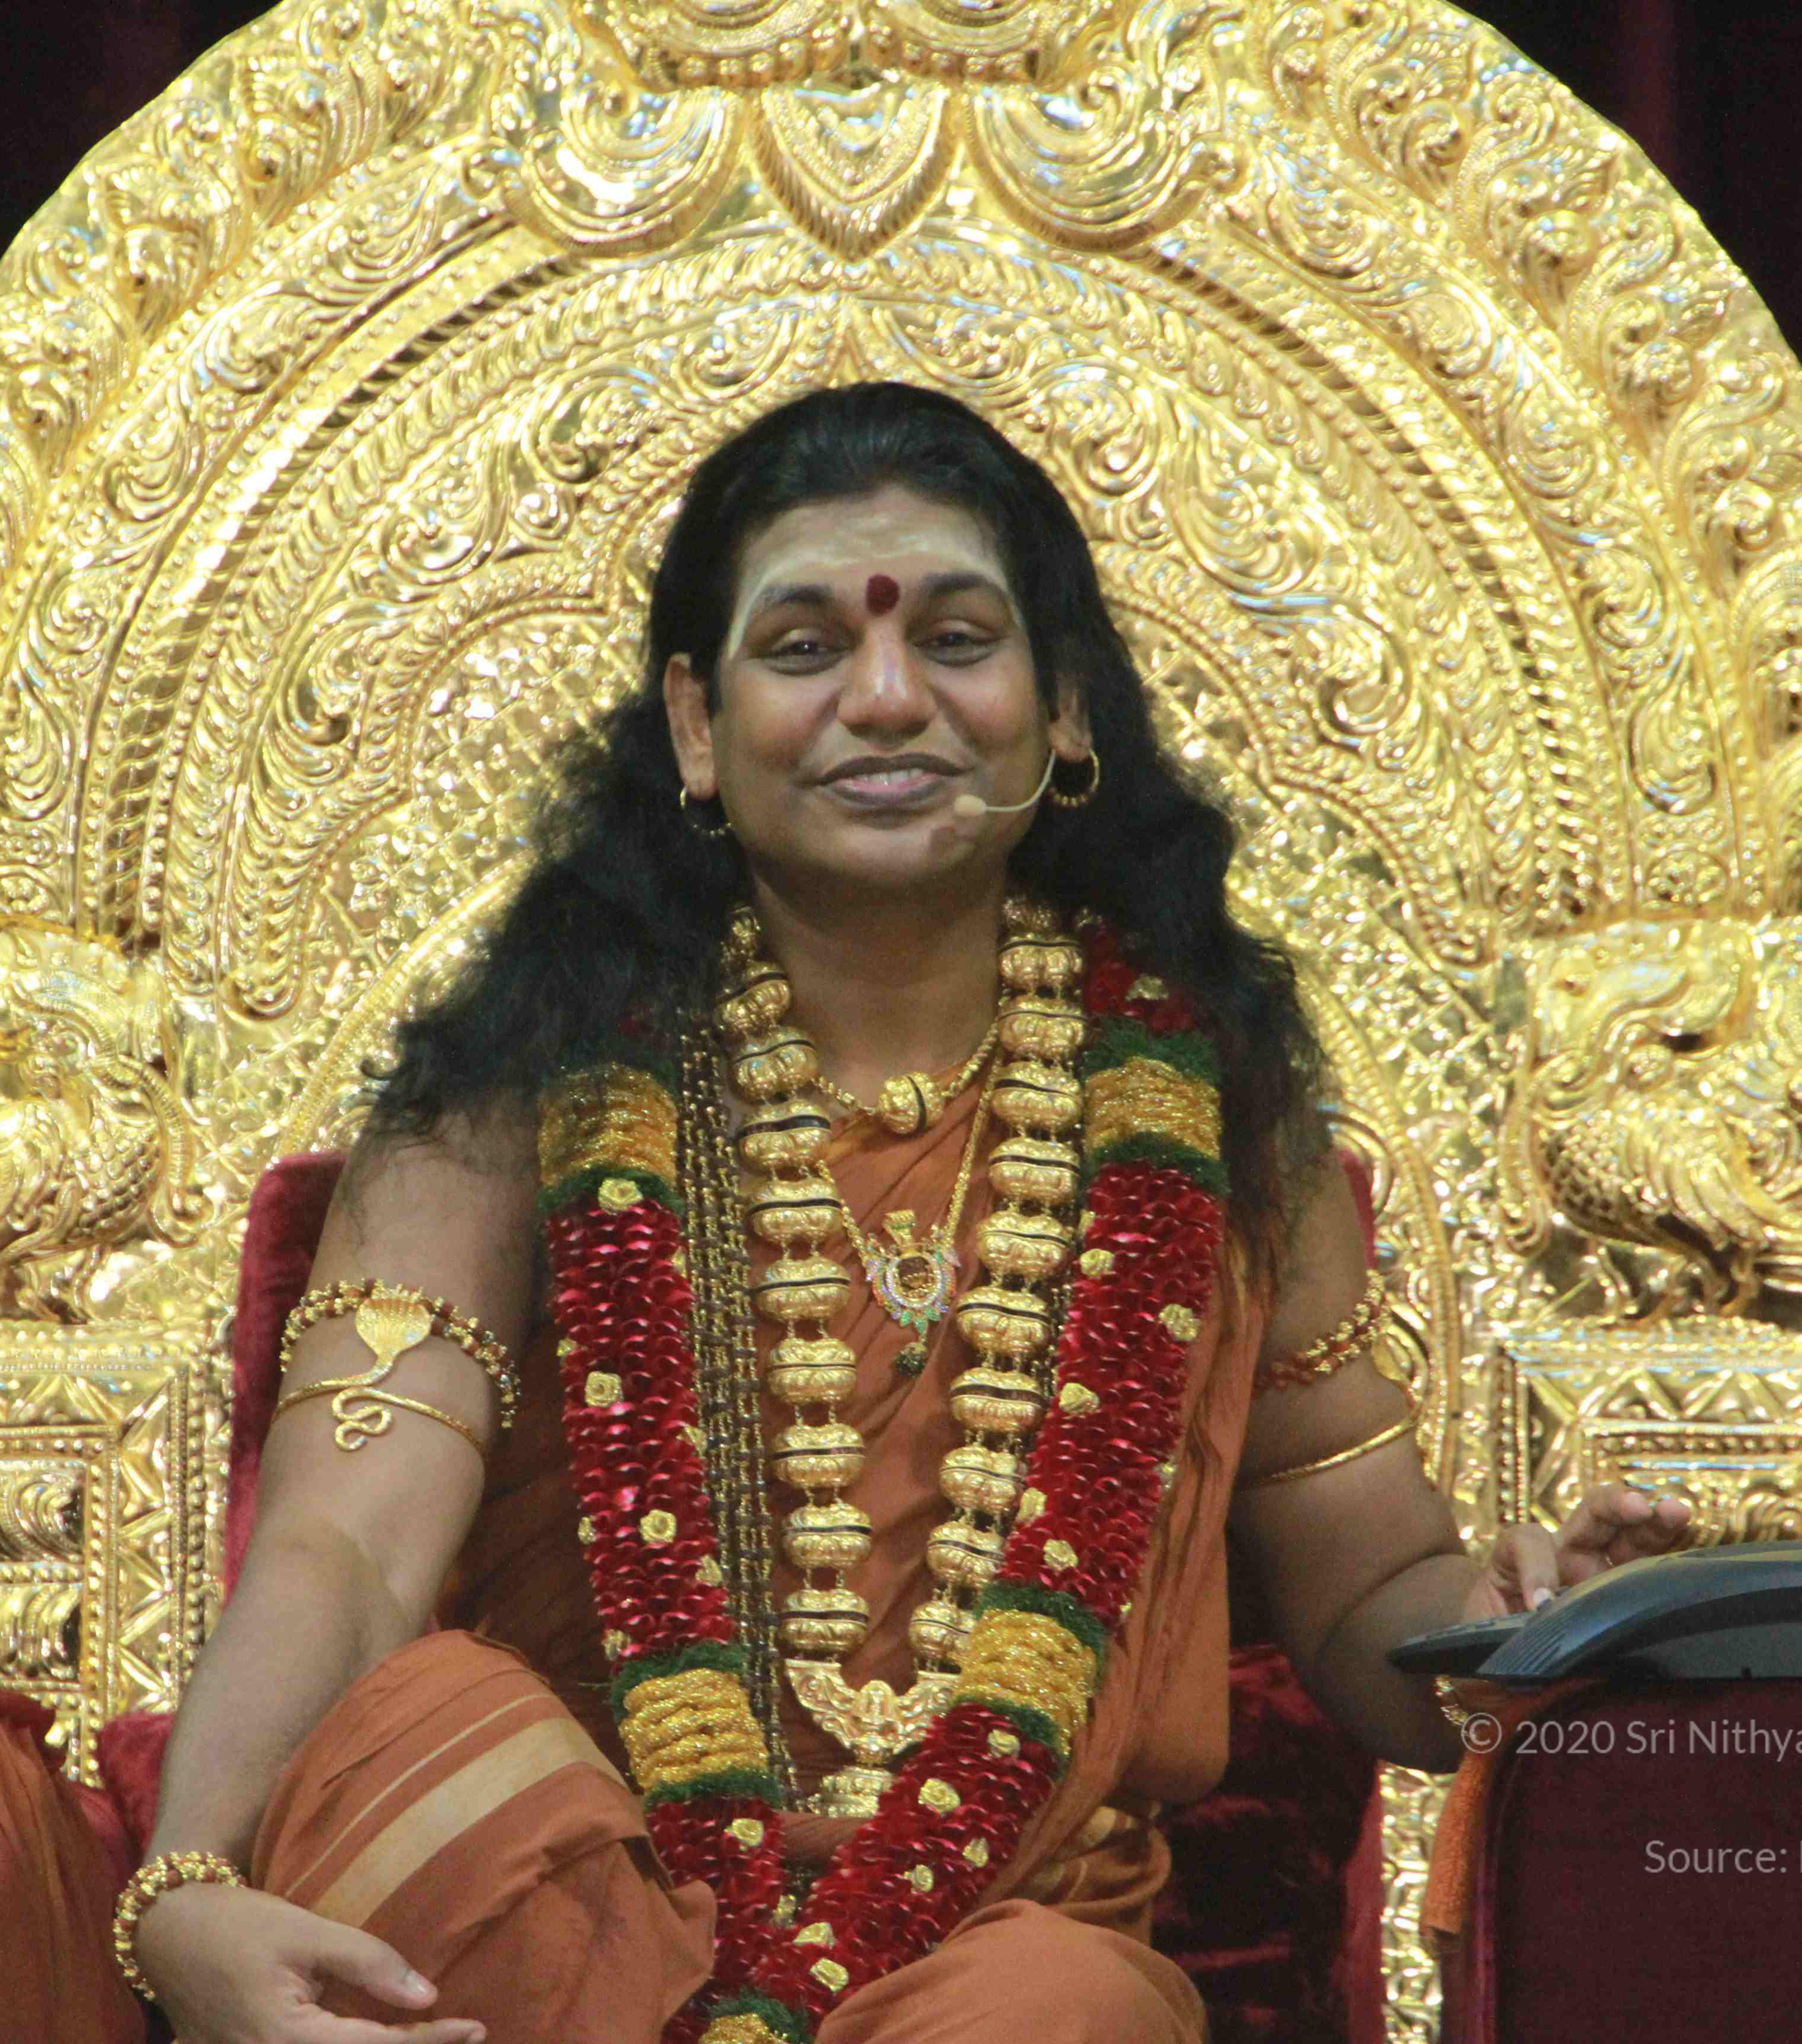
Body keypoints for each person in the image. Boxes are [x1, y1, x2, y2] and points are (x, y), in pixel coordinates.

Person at [118, 382, 1696, 2044]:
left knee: (1057, 2012)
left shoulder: (1220, 1113)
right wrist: (185, 1887)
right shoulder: (518, 1093)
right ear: (696, 727)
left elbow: (1374, 1597)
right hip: (593, 1923)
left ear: (1063, 706)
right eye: (803, 648)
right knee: (431, 1737)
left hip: (998, 1958)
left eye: (955, 639)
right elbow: (346, 1546)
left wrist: (1525, 1636)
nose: (884, 700)